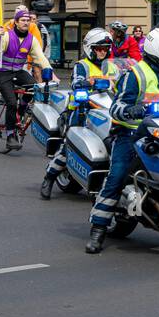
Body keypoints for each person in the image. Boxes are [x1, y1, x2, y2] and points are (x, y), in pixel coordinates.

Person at [86, 27, 159, 254]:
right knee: (118, 176)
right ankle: (98, 229)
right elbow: (116, 108)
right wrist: (137, 110)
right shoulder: (134, 74)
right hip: (132, 134)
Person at [41, 28, 115, 200]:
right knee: (69, 149)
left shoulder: (112, 66)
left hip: (106, 110)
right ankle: (49, 178)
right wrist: (89, 83)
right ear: (91, 48)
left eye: (105, 48)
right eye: (99, 48)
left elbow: (121, 81)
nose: (102, 51)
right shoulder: (81, 65)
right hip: (81, 111)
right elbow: (76, 83)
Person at [0, 7, 53, 152]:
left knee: (34, 87)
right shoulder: (6, 36)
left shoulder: (31, 40)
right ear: (16, 22)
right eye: (23, 20)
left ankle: (21, 109)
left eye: (28, 20)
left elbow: (40, 58)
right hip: (1, 73)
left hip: (18, 71)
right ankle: (10, 136)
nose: (26, 23)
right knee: (11, 102)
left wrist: (49, 71)